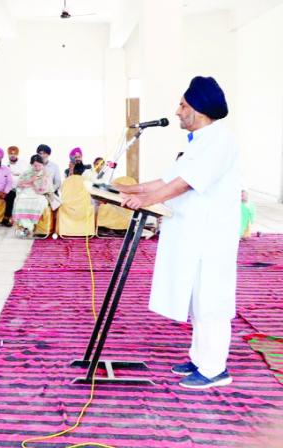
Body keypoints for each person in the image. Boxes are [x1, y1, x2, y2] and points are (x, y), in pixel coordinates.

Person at [118, 76, 240, 389]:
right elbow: (164, 181)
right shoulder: (199, 143)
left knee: (211, 302)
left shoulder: (221, 140)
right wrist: (121, 189)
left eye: (183, 105)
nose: (177, 112)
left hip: (211, 239)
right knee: (198, 301)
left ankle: (215, 370)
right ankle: (200, 358)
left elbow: (184, 183)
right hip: (194, 237)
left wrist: (144, 200)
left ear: (198, 109)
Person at [13, 155, 53, 238]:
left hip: (40, 195)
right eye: (35, 165)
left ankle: (32, 226)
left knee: (40, 202)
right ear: (31, 165)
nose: (37, 167)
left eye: (39, 165)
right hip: (26, 193)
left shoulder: (46, 173)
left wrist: (34, 185)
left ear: (43, 165)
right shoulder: (27, 173)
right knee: (20, 201)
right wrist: (31, 180)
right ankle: (28, 227)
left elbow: (46, 188)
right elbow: (19, 184)